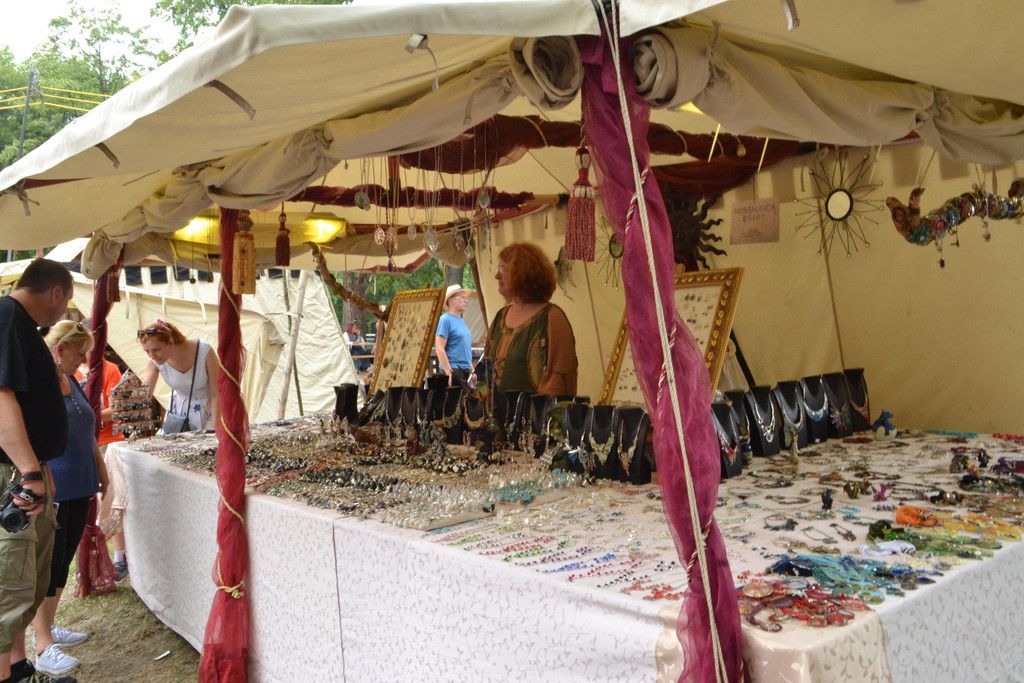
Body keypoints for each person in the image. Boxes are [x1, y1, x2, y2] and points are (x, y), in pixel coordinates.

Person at [0, 258, 77, 683]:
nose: (63, 312)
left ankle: (17, 668)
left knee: (25, 580)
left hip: (28, 472)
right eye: (65, 303)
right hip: (14, 476)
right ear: (55, 292)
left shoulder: (20, 325)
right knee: (8, 583)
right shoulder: (7, 317)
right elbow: (1, 396)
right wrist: (30, 472)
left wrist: (40, 468)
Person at [30, 322, 108, 678]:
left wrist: (100, 467)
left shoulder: (71, 379)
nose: (83, 360)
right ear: (60, 349)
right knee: (49, 563)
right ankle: (42, 643)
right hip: (57, 485)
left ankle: (50, 626)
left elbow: (85, 431)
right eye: (79, 353)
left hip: (80, 482)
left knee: (63, 561)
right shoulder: (42, 383)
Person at [485, 243, 578, 395]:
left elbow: (558, 382)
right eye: (498, 269)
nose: (497, 276)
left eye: (503, 269)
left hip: (535, 410)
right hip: (496, 410)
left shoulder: (552, 317)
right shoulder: (501, 316)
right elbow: (486, 371)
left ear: (524, 273)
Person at [74, 329, 128, 580]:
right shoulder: (72, 371)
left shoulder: (110, 369)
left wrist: (87, 414)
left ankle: (119, 556)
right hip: (84, 443)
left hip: (109, 442)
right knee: (87, 503)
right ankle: (89, 561)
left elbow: (116, 407)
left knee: (111, 498)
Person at [138, 320, 220, 434]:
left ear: (171, 342)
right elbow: (145, 394)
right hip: (178, 414)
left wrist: (216, 429)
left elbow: (217, 394)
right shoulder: (154, 360)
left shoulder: (204, 351)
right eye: (147, 351)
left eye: (156, 350)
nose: (152, 356)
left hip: (209, 411)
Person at [435, 284, 474, 387]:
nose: (466, 301)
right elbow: (439, 348)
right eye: (462, 297)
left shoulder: (461, 321)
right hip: (454, 370)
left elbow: (465, 348)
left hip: (465, 371)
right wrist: (448, 372)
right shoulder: (445, 320)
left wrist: (472, 370)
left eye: (466, 298)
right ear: (450, 300)